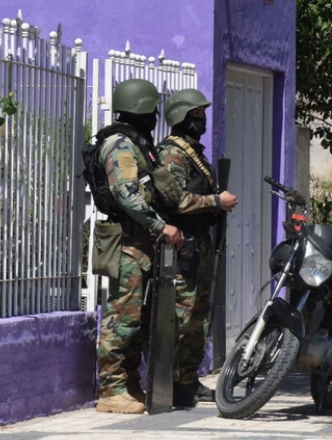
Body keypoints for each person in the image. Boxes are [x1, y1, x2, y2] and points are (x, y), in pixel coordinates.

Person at [92, 78, 184, 414]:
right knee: (122, 316)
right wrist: (161, 226)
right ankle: (111, 390)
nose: (155, 115)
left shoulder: (137, 142)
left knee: (139, 318)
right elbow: (126, 194)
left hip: (141, 241)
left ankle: (129, 384)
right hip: (127, 241)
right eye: (151, 109)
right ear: (141, 109)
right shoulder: (119, 144)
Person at [156, 88, 238, 407]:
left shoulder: (193, 152)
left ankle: (187, 382)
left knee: (197, 318)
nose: (202, 120)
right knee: (182, 315)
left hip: (200, 245)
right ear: (181, 117)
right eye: (196, 114)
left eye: (203, 114)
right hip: (182, 248)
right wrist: (217, 201)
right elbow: (175, 201)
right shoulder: (172, 154)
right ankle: (171, 381)